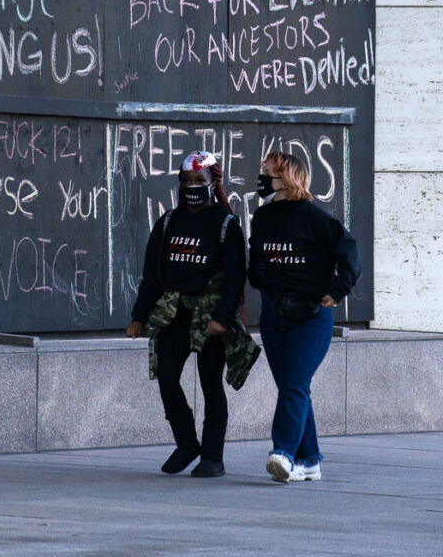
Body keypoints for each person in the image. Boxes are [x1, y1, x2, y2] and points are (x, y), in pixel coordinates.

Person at [126, 151, 260, 478]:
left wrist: (222, 317)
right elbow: (152, 274)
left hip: (209, 318)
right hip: (173, 315)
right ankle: (186, 443)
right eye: (186, 181)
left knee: (211, 384)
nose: (192, 186)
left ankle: (213, 455)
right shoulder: (168, 222)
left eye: (200, 181)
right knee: (167, 378)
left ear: (214, 183)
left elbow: (234, 277)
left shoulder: (226, 223)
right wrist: (139, 316)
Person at [250, 151, 361, 483]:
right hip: (274, 314)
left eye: (267, 172)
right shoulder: (263, 217)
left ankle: (283, 452)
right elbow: (256, 258)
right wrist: (261, 281)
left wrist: (337, 289)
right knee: (291, 386)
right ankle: (309, 461)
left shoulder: (315, 218)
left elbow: (350, 253)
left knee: (294, 383)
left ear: (286, 178)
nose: (262, 177)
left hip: (311, 317)